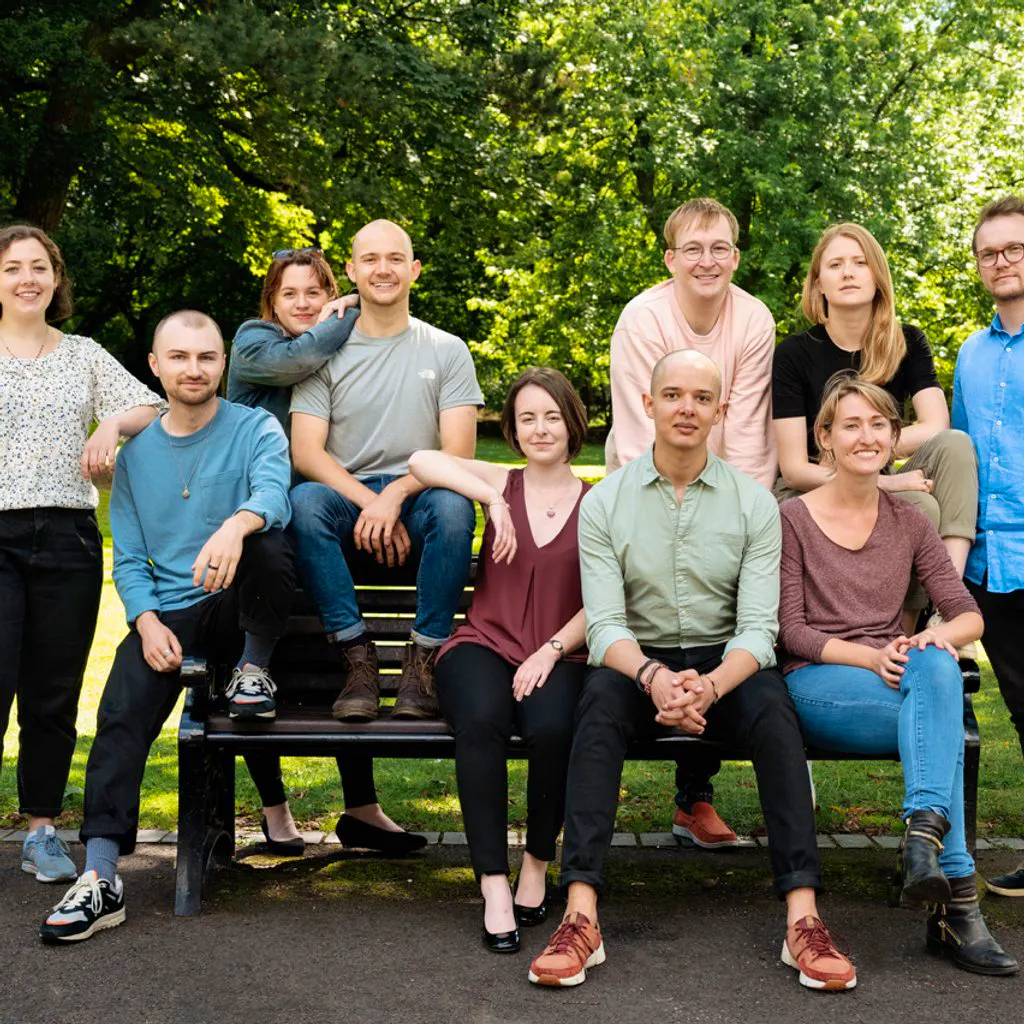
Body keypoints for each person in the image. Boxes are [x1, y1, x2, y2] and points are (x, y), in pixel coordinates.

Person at [527, 350, 856, 992]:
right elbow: (605, 626)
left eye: (701, 398)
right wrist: (653, 678)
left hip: (724, 663)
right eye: (672, 395)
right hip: (635, 661)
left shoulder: (753, 505)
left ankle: (804, 918)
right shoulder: (606, 504)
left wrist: (707, 685)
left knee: (774, 713)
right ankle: (580, 916)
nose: (686, 408)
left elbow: (760, 630)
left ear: (721, 411)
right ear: (647, 405)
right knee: (595, 714)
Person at [39, 311, 294, 943]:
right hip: (174, 614)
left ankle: (255, 671)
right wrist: (146, 621)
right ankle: (101, 877)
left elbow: (275, 493)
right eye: (179, 357)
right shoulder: (136, 457)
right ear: (155, 366)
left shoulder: (257, 427)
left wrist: (236, 524)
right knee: (120, 712)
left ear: (223, 364)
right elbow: (127, 558)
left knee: (267, 537)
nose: (194, 369)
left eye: (207, 357)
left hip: (243, 607)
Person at [778, 374, 1017, 976]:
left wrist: (929, 638)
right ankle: (956, 905)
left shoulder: (909, 521)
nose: (866, 436)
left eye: (878, 424)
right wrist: (872, 656)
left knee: (937, 659)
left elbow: (967, 614)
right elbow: (790, 630)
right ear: (824, 438)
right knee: (940, 723)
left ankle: (924, 837)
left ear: (893, 437)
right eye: (850, 425)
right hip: (820, 681)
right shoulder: (791, 518)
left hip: (900, 680)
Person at [228, 247, 422, 857]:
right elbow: (305, 353)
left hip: (312, 524)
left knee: (343, 671)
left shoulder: (333, 353)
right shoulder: (258, 342)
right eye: (292, 294)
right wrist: (348, 312)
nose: (304, 304)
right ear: (271, 302)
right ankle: (275, 810)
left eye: (316, 292)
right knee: (261, 668)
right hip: (260, 530)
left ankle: (361, 809)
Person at [606, 197, 778, 847]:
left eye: (720, 249)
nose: (707, 261)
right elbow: (634, 434)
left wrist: (741, 529)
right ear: (671, 259)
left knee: (727, 605)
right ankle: (632, 776)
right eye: (693, 249)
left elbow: (753, 438)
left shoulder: (754, 319)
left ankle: (693, 799)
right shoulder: (642, 319)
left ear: (735, 257)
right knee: (665, 606)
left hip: (729, 490)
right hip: (645, 486)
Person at [0, 224, 161, 884]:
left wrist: (112, 424)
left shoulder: (85, 355)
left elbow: (152, 405)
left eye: (40, 267)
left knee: (52, 693)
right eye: (13, 268)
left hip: (68, 538)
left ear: (57, 278)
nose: (28, 279)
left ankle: (41, 829)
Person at [410, 368, 590, 954]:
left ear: (572, 423)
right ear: (512, 429)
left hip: (559, 652)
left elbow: (615, 598)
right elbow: (420, 460)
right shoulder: (500, 482)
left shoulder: (601, 500)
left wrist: (551, 649)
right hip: (483, 645)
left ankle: (537, 862)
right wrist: (491, 499)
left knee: (552, 727)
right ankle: (491, 882)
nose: (540, 429)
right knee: (482, 723)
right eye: (527, 418)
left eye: (552, 416)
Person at [288, 219, 483, 724]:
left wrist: (395, 495)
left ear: (414, 270)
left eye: (395, 258)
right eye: (370, 259)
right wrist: (371, 502)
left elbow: (457, 453)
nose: (383, 269)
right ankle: (358, 658)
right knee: (304, 502)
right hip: (346, 502)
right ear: (351, 271)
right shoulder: (324, 352)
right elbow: (307, 453)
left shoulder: (446, 349)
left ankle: (423, 660)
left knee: (455, 506)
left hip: (421, 499)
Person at [773, 223, 979, 640]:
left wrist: (872, 452)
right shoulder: (793, 353)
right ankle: (897, 637)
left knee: (955, 445)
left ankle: (945, 609)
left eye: (859, 262)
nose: (848, 273)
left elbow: (935, 424)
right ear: (819, 284)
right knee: (920, 508)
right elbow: (793, 468)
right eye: (835, 264)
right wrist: (885, 479)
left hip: (879, 468)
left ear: (877, 277)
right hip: (815, 483)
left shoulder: (906, 341)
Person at [953, 195, 1024, 897]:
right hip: (990, 563)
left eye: (1014, 248)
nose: (1001, 261)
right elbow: (961, 454)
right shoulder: (971, 355)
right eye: (989, 252)